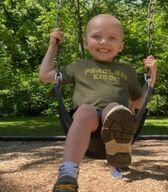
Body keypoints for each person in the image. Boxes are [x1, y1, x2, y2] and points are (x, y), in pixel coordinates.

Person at [39, 14, 157, 192]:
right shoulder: (79, 66)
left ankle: (118, 142)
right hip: (88, 123)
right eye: (96, 36)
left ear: (121, 46)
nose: (103, 42)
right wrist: (53, 46)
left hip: (115, 119)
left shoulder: (126, 70)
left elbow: (139, 102)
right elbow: (45, 75)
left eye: (112, 38)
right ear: (86, 42)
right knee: (85, 110)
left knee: (114, 109)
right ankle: (68, 175)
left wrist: (152, 75)